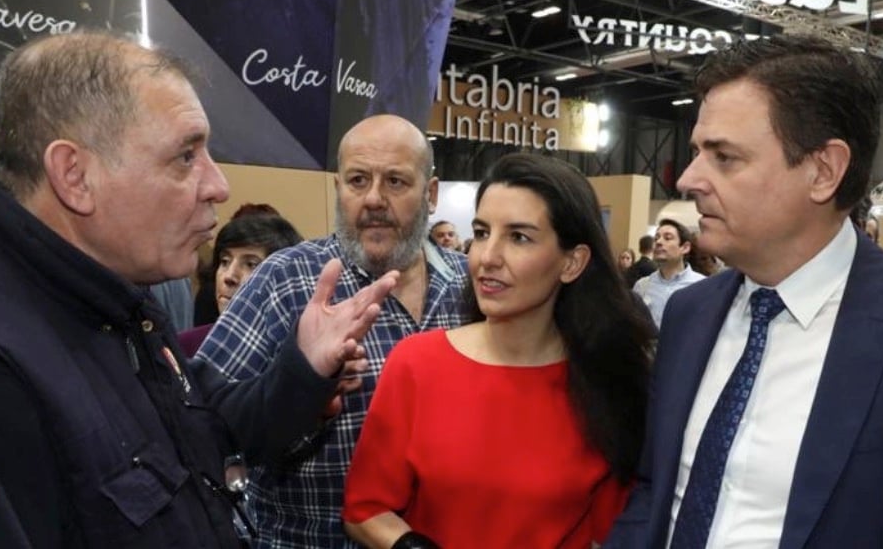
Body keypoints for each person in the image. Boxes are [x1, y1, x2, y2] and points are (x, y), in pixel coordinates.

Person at [0, 32, 398, 548]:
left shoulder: (112, 290)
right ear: (74, 175)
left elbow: (207, 439)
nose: (217, 186)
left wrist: (303, 370)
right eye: (185, 157)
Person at [605, 34, 883, 548]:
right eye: (697, 152)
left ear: (823, 171)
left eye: (723, 157)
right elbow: (658, 489)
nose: (688, 179)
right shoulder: (688, 313)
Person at [342, 153, 654, 548]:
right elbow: (364, 508)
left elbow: (619, 528)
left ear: (572, 262)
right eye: (482, 232)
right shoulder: (417, 363)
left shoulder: (607, 386)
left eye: (519, 237)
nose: (487, 257)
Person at [195, 114, 469, 548]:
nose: (374, 199)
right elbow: (201, 418)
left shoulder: (471, 286)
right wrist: (301, 389)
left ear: (431, 194)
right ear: (338, 188)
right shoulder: (286, 279)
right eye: (358, 180)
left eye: (396, 182)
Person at [179, 213, 303, 356]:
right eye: (225, 261)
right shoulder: (185, 347)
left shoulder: (304, 354)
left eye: (251, 264)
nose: (229, 276)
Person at [632, 219, 705, 329]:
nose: (659, 242)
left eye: (667, 238)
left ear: (685, 247)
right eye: (656, 238)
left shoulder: (702, 285)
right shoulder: (642, 286)